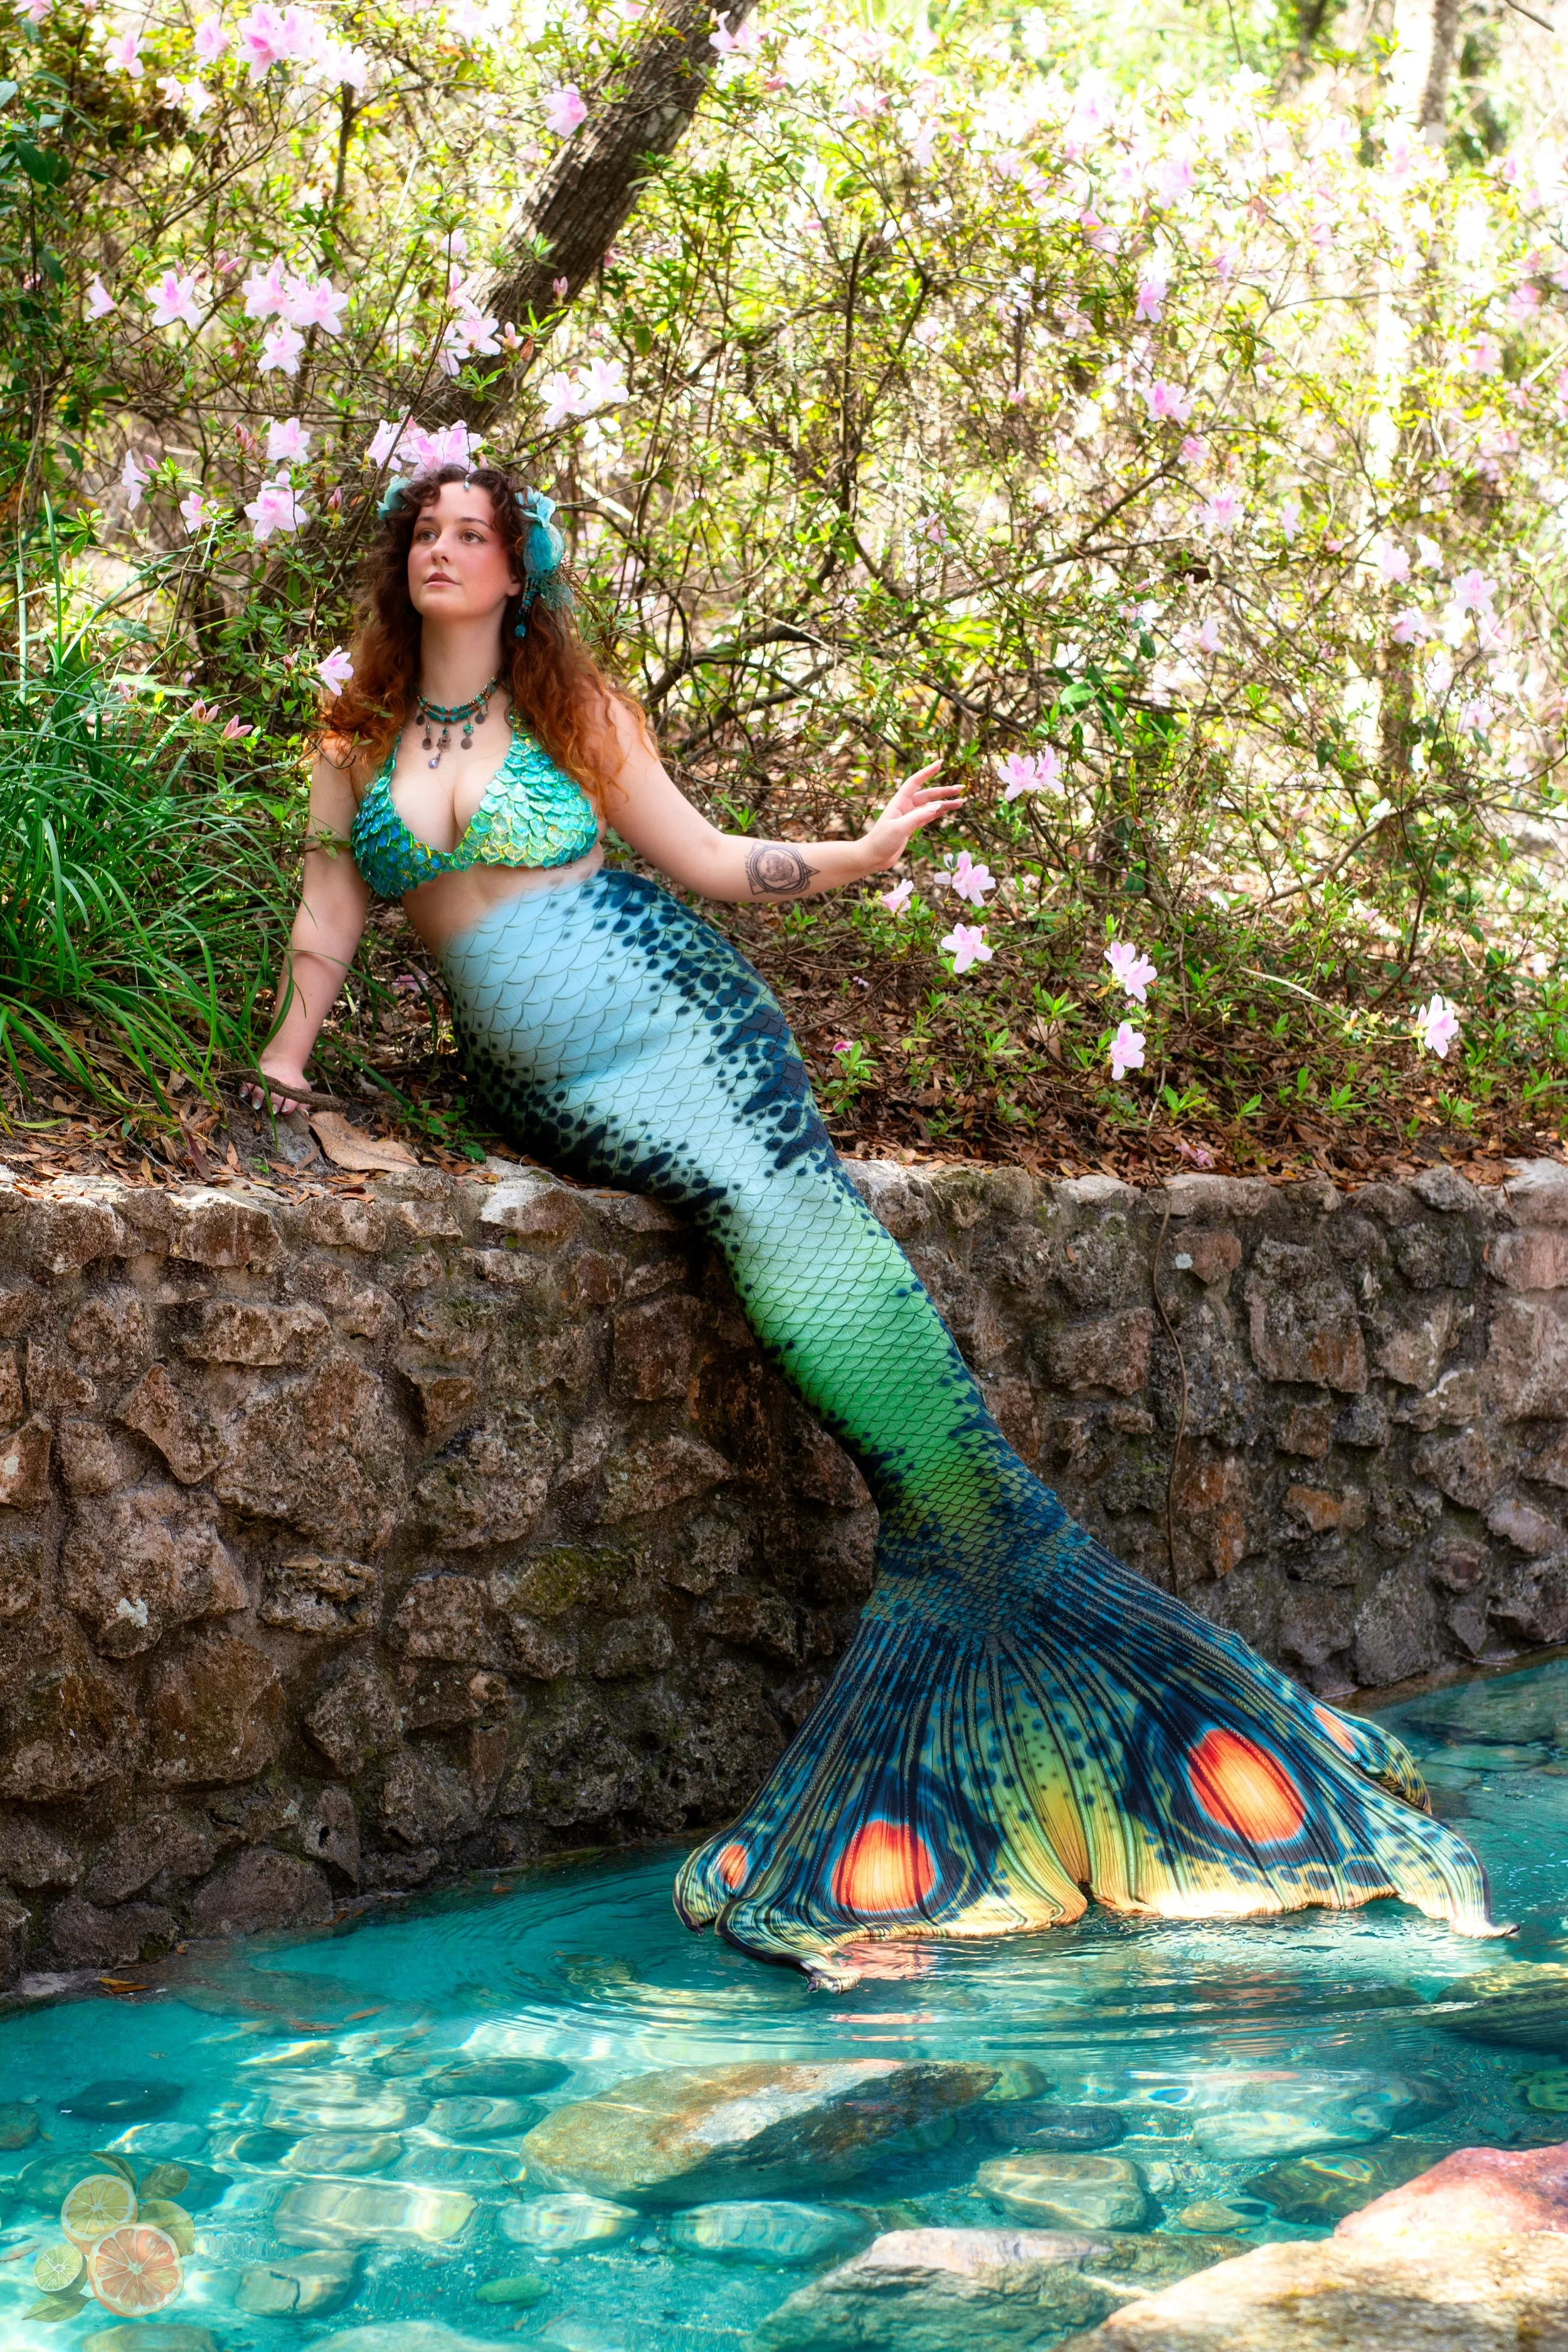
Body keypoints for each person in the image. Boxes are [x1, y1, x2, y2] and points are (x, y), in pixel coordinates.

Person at [246, 460, 1496, 1989]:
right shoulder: (354, 735)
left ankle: (965, 1533)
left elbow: (710, 865)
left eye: (473, 536)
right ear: (404, 564)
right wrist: (286, 1065)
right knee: (743, 1206)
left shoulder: (578, 715)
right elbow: (328, 910)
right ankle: (986, 1573)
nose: (445, 553)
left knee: (773, 1209)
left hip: (680, 1016)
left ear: (518, 570)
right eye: (425, 534)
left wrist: (859, 853)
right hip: (549, 1078)